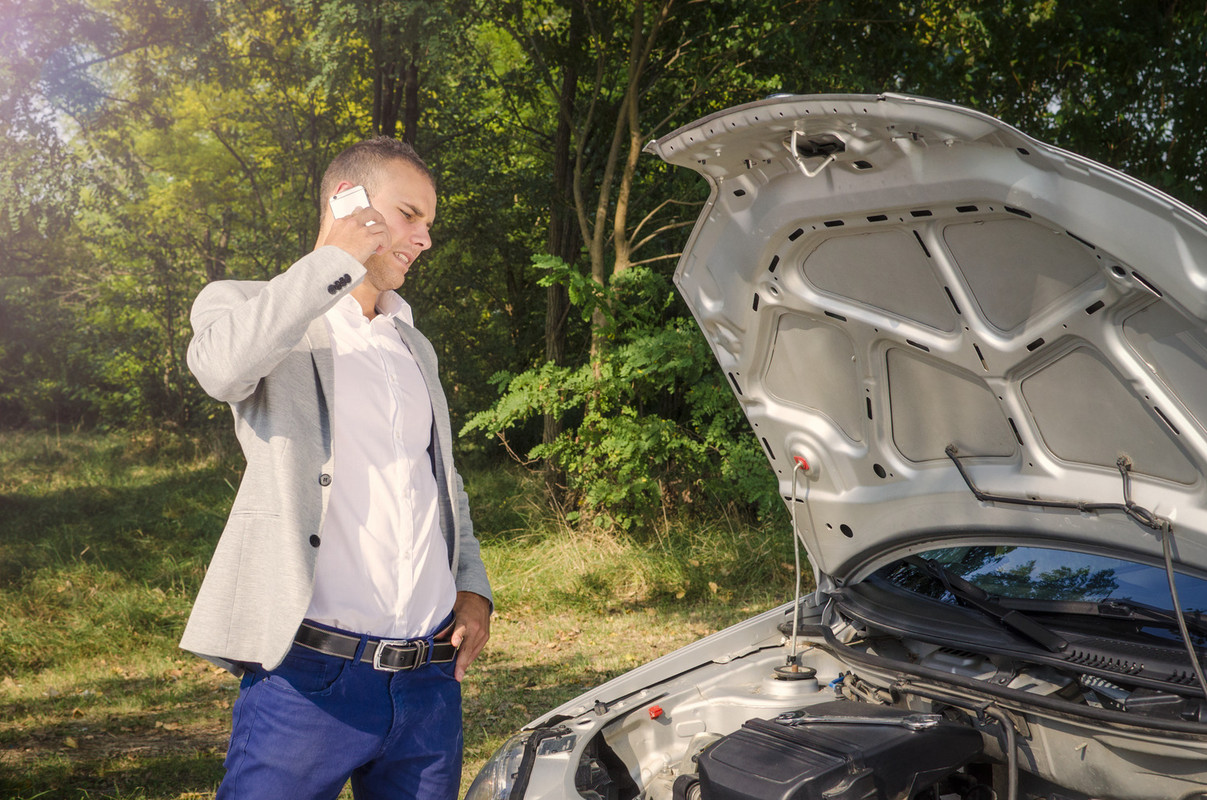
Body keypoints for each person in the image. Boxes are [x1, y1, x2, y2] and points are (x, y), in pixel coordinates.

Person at [181, 136, 492, 800]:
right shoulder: (247, 304)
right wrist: (332, 256)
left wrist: (473, 583)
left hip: (428, 686)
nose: (424, 239)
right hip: (307, 685)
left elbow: (440, 478)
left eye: (428, 223)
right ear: (347, 203)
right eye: (410, 215)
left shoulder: (413, 342)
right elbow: (219, 368)